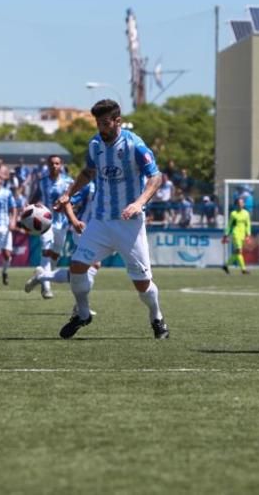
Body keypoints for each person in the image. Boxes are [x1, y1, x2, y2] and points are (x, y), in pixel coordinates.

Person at [53, 99, 169, 340]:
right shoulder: (95, 144)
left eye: (106, 123)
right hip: (101, 221)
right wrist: (68, 193)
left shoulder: (134, 145)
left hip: (130, 225)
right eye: (98, 122)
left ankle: (156, 317)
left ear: (117, 121)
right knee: (77, 267)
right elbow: (88, 172)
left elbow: (155, 178)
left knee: (142, 282)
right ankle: (83, 314)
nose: (101, 128)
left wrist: (138, 203)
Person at [29, 155, 74, 299]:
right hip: (46, 223)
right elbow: (34, 199)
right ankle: (47, 288)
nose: (54, 166)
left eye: (57, 163)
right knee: (46, 252)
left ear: (61, 165)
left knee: (56, 254)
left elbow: (76, 198)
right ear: (48, 165)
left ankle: (43, 277)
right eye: (52, 163)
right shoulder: (42, 181)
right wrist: (29, 213)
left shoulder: (68, 182)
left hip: (63, 223)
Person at [222, 196, 251, 275]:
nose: (240, 204)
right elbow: (230, 225)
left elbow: (248, 224)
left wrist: (248, 234)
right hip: (235, 234)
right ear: (236, 204)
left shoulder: (246, 213)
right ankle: (243, 269)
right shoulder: (233, 214)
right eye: (238, 203)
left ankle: (226, 265)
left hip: (242, 235)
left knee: (236, 252)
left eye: (241, 203)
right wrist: (226, 234)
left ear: (244, 204)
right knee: (239, 251)